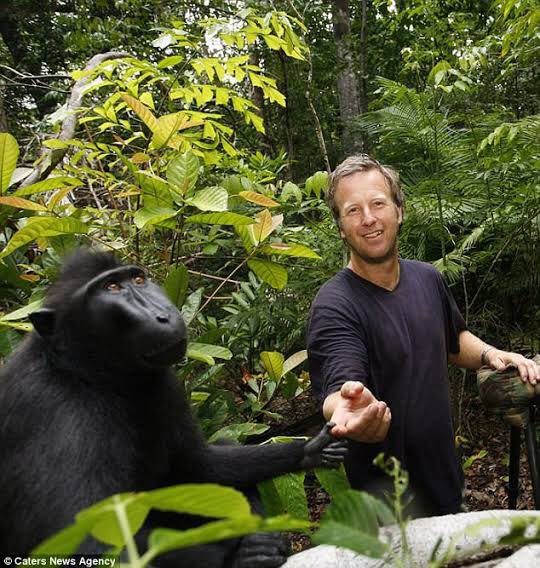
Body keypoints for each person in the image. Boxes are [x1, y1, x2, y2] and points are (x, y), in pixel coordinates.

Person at [307, 155, 540, 516]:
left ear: (399, 211)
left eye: (378, 204)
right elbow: (339, 387)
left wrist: (491, 354)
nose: (368, 218)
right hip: (388, 509)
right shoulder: (335, 305)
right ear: (340, 226)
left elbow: (452, 339)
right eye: (353, 210)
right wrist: (347, 411)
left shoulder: (426, 277)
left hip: (445, 483)